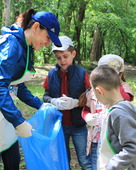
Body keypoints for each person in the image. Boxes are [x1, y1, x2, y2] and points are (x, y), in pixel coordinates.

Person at [0, 9, 62, 169]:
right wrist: (18, 121)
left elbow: (18, 86)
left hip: (5, 113)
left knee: (13, 161)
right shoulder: (11, 45)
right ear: (36, 27)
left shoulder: (25, 48)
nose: (48, 43)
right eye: (47, 37)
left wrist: (40, 105)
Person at [89, 65, 136, 170]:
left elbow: (132, 149)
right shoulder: (115, 109)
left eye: (94, 93)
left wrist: (111, 167)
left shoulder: (119, 115)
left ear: (99, 91)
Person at [42, 36, 91, 169]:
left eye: (65, 56)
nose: (62, 60)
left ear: (73, 54)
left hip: (78, 125)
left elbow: (91, 96)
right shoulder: (51, 74)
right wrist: (53, 101)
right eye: (58, 57)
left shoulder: (82, 73)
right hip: (59, 125)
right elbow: (45, 96)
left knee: (85, 159)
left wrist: (76, 103)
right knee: (62, 159)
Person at [81, 54, 134, 170]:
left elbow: (125, 100)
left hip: (113, 141)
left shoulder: (123, 90)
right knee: (97, 165)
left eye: (111, 76)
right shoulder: (93, 91)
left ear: (120, 75)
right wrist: (88, 117)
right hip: (96, 139)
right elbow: (85, 110)